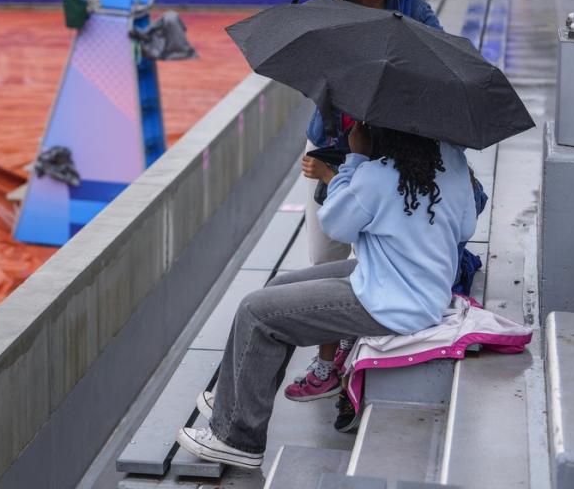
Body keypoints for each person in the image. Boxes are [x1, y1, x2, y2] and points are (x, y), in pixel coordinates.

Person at [175, 124, 478, 469]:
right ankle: (235, 402)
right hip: (413, 285)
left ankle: (237, 439)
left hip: (392, 301)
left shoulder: (377, 176)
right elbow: (465, 227)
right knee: (275, 291)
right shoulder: (452, 164)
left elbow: (335, 224)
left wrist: (355, 160)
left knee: (256, 313)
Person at [288, 0, 442, 402]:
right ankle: (327, 355)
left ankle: (349, 346)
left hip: (395, 147)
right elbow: (313, 79)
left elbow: (440, 59)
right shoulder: (331, 13)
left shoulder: (411, 8)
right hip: (335, 142)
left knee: (379, 251)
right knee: (325, 254)